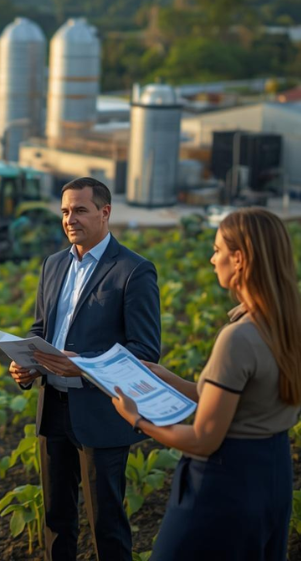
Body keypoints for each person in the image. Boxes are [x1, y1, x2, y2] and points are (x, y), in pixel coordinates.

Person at [112, 208, 301, 561]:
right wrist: (169, 377)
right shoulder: (288, 323)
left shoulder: (240, 338)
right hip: (272, 474)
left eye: (217, 250)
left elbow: (203, 440)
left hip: (226, 484)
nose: (212, 259)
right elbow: (238, 403)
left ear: (240, 258)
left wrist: (137, 419)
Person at [8, 177, 160, 561]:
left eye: (79, 210)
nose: (69, 219)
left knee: (106, 524)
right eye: (64, 211)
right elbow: (42, 329)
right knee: (57, 521)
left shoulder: (133, 270)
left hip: (102, 413)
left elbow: (146, 351)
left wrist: (86, 367)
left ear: (105, 213)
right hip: (53, 408)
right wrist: (26, 362)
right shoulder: (54, 264)